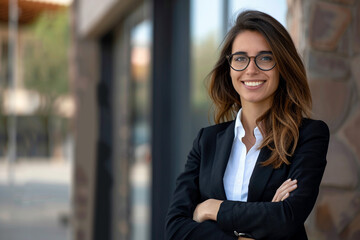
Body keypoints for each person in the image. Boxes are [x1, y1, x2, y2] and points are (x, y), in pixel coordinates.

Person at [165, 10, 330, 240]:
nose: (251, 69)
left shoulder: (308, 136)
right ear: (229, 67)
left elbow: (287, 217)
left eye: (265, 58)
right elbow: (175, 228)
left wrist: (212, 208)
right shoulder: (207, 141)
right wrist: (254, 225)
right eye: (241, 58)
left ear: (281, 65)